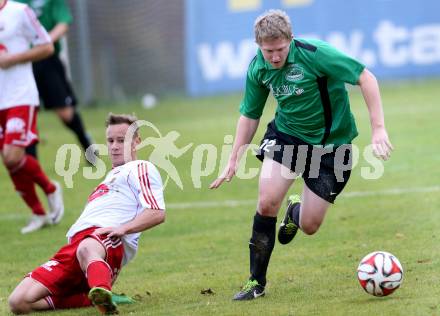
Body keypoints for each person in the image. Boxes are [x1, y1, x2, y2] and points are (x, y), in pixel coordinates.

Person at [210, 9, 393, 300]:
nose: (274, 57)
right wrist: (233, 159)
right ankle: (255, 283)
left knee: (310, 225)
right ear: (258, 45)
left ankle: (295, 211)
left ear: (290, 40)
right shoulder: (257, 67)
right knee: (267, 200)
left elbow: (365, 77)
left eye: (280, 49)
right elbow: (249, 114)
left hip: (333, 146)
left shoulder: (316, 54)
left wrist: (378, 129)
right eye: (268, 50)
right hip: (288, 138)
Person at [8, 113, 166, 315]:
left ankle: (103, 293)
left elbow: (157, 212)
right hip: (73, 247)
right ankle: (93, 297)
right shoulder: (108, 179)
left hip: (105, 239)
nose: (115, 146)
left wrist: (123, 228)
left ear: (137, 141)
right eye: (110, 141)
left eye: (122, 140)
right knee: (18, 302)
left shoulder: (141, 168)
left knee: (86, 248)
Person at [0, 0, 64, 234]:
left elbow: (47, 47)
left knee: (11, 156)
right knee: (9, 162)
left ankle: (50, 188)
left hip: (19, 96)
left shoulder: (19, 12)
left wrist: (11, 59)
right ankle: (38, 213)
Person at [16, 0, 95, 162]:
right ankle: (33, 168)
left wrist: (45, 41)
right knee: (26, 114)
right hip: (21, 63)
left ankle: (87, 144)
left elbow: (63, 23)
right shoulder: (12, 3)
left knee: (66, 113)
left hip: (47, 60)